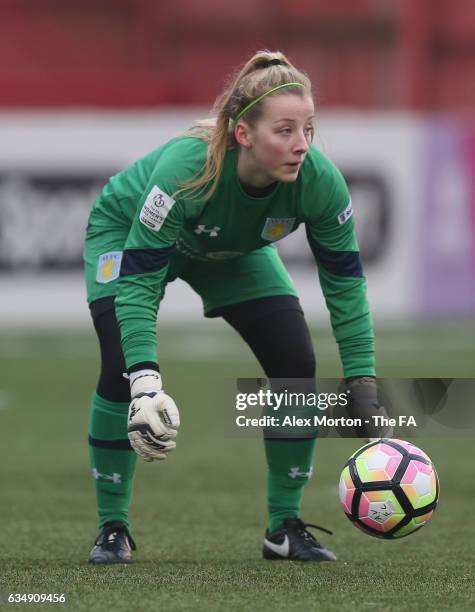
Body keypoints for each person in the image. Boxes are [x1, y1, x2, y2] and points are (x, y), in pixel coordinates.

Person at [83, 49, 380, 564]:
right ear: (244, 134)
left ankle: (283, 528)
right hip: (127, 233)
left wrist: (362, 381)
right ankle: (113, 528)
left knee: (294, 363)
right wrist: (147, 382)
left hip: (230, 251)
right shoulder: (187, 170)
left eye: (309, 128)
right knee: (120, 366)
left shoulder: (322, 184)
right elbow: (138, 286)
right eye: (284, 130)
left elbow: (346, 286)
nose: (302, 145)